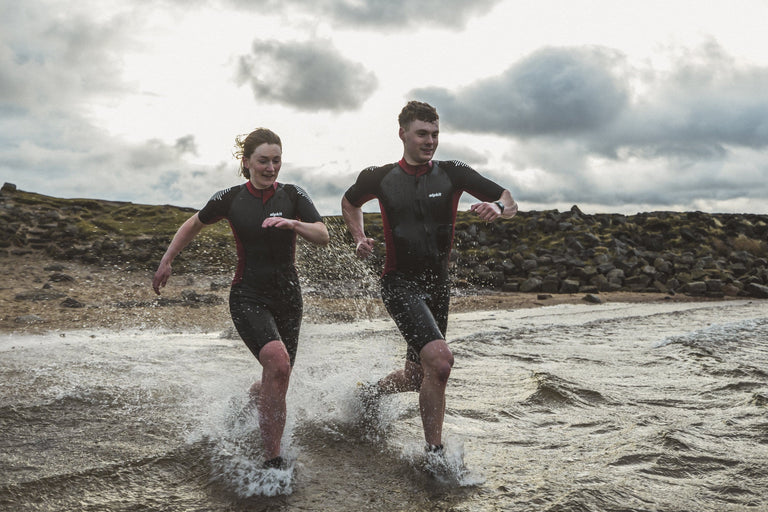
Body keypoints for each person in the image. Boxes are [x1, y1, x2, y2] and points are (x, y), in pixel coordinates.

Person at [341, 101, 518, 454]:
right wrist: (359, 237)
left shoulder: (453, 172)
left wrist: (497, 208)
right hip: (399, 282)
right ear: (403, 133)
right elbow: (350, 203)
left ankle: (367, 396)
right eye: (422, 133)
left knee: (417, 376)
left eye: (435, 134)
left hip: (438, 287)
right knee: (440, 361)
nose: (430, 141)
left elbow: (508, 199)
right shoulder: (380, 176)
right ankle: (434, 455)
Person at [152, 128, 329, 469]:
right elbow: (193, 224)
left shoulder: (294, 194)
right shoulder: (230, 198)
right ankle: (273, 462)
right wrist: (167, 260)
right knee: (277, 363)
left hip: (289, 297)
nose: (271, 167)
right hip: (248, 294)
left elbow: (321, 235)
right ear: (246, 162)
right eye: (263, 160)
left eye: (276, 160)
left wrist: (292, 224)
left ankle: (252, 400)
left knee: (279, 375)